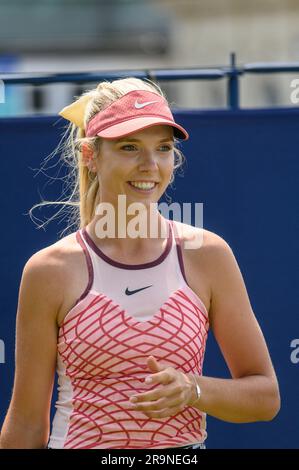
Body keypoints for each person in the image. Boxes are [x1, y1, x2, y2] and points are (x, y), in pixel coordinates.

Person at [0, 78, 280, 450]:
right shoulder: (49, 270)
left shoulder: (208, 254)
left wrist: (193, 389)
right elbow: (26, 424)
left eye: (162, 148)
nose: (150, 165)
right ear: (91, 156)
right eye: (129, 147)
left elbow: (264, 396)